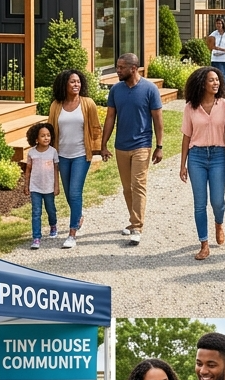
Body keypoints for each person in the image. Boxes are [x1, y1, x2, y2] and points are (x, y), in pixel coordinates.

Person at [100, 53, 164, 247]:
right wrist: (103, 144)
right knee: (127, 188)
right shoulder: (116, 90)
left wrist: (159, 146)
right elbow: (110, 117)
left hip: (142, 145)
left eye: (121, 67)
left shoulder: (150, 89)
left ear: (133, 69)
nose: (117, 70)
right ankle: (133, 219)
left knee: (138, 185)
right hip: (121, 146)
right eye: (117, 67)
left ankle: (136, 227)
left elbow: (158, 120)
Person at [47, 68, 102, 250]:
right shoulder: (56, 105)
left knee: (75, 192)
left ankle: (72, 234)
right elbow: (51, 130)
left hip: (80, 155)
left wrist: (100, 149)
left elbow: (95, 128)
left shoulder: (88, 103)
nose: (76, 84)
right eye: (72, 82)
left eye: (78, 81)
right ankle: (78, 215)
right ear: (64, 84)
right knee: (69, 193)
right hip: (62, 155)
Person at [180, 66, 225, 261]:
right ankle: (204, 243)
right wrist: (182, 164)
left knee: (217, 201)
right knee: (200, 203)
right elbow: (186, 137)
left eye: (217, 80)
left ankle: (219, 223)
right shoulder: (190, 107)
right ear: (202, 83)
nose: (216, 83)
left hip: (218, 155)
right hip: (197, 157)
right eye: (211, 80)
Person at [25, 121, 59, 250]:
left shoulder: (53, 152)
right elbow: (28, 170)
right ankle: (36, 237)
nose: (46, 138)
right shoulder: (31, 153)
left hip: (49, 187)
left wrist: (56, 186)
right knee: (36, 212)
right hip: (35, 187)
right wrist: (26, 185)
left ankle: (53, 225)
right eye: (43, 136)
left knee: (51, 209)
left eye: (48, 135)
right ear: (36, 139)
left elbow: (56, 170)